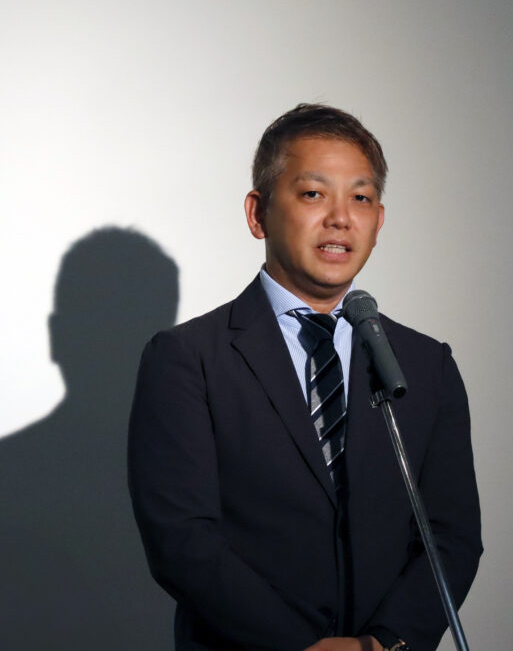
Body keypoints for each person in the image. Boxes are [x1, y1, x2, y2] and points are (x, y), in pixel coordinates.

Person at [128, 104, 482, 651]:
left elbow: (451, 537)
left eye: (360, 198)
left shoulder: (425, 364)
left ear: (379, 220)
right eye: (314, 193)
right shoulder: (187, 359)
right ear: (258, 214)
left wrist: (383, 642)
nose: (340, 218)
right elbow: (182, 540)